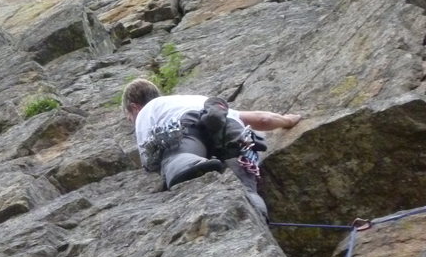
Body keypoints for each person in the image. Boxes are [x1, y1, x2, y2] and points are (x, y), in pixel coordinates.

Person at [122, 78, 301, 217]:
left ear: (134, 107)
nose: (133, 122)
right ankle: (256, 210)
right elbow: (263, 119)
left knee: (177, 156)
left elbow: (149, 155)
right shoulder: (202, 100)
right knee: (246, 186)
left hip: (187, 128)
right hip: (232, 131)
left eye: (130, 118)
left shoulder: (148, 110)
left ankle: (188, 163)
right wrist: (287, 120)